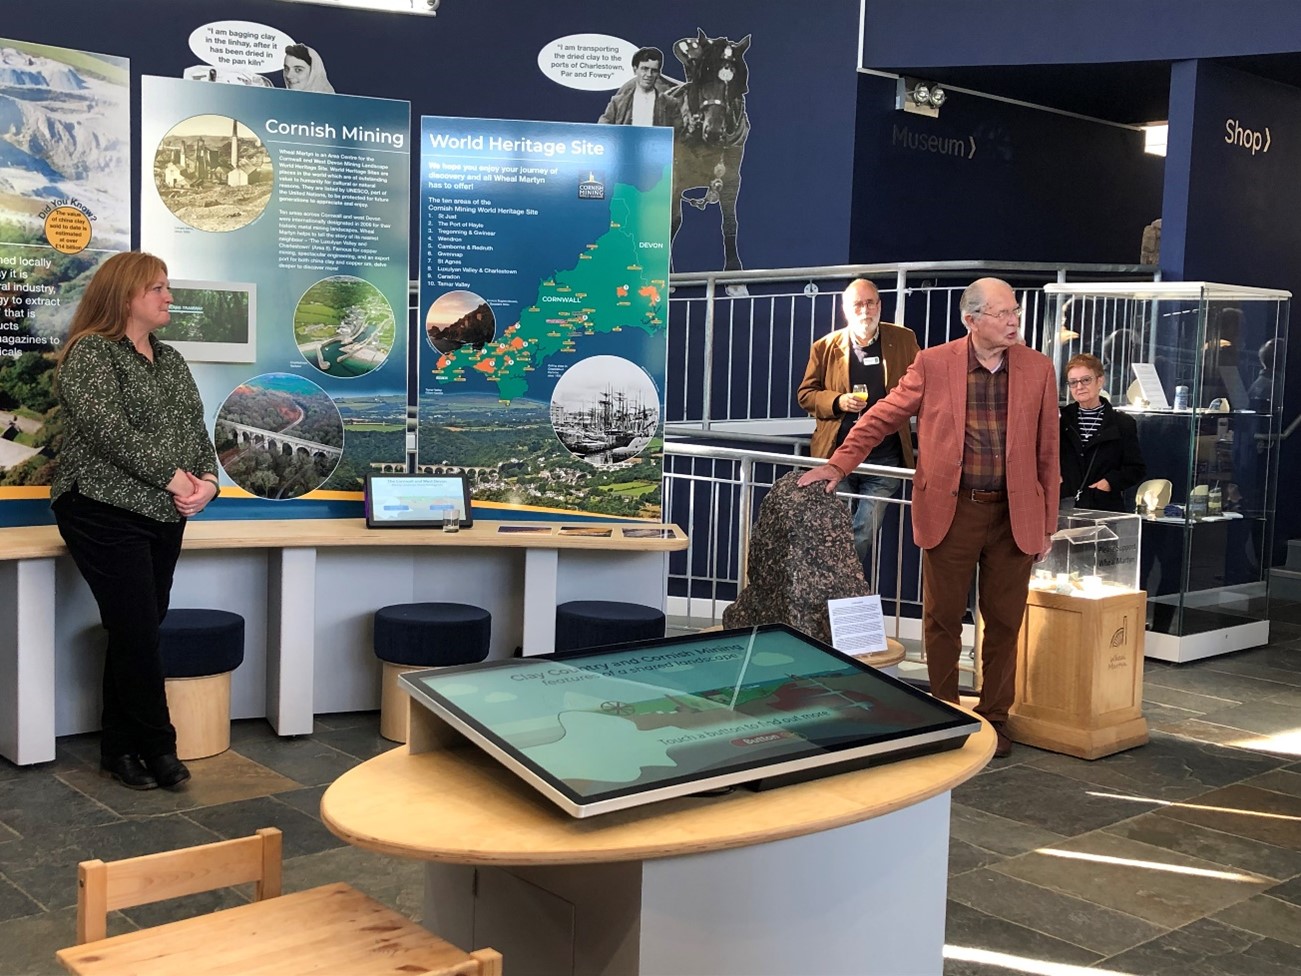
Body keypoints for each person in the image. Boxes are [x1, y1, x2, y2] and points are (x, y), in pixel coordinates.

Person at [798, 278, 1059, 758]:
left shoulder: (1039, 369)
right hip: (952, 510)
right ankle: (943, 713)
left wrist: (1047, 521)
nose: (1013, 321)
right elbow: (881, 416)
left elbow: (1048, 449)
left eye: (1014, 311)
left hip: (1014, 517)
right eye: (1002, 313)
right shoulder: (934, 363)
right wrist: (838, 464)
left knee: (1004, 621)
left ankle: (996, 717)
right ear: (971, 320)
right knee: (941, 619)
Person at [50, 252, 220, 791]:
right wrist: (178, 481)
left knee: (135, 630)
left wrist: (209, 483)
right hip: (99, 508)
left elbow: (197, 430)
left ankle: (117, 750)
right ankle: (158, 746)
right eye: (158, 289)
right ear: (126, 296)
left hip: (162, 514)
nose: (169, 297)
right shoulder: (92, 355)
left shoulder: (170, 359)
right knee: (139, 629)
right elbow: (110, 433)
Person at [796, 278, 919, 571]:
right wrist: (838, 401)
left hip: (885, 458)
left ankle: (837, 587)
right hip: (837, 455)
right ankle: (835, 593)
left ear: (879, 305)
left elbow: (921, 387)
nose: (865, 310)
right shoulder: (825, 347)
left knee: (864, 529)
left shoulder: (904, 339)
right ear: (845, 310)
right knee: (832, 531)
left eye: (870, 303)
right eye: (858, 305)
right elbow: (805, 395)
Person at [1059, 354, 1145, 512]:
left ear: (1100, 381)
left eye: (1086, 380)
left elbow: (1135, 468)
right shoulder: (1060, 420)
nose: (1079, 387)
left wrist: (1109, 482)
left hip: (1104, 507)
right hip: (1065, 505)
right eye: (1073, 382)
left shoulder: (1122, 423)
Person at [597, 46, 682, 127]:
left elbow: (680, 137)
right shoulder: (618, 102)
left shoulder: (671, 104)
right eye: (644, 69)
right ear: (635, 70)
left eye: (654, 71)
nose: (649, 74)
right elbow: (602, 130)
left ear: (658, 74)